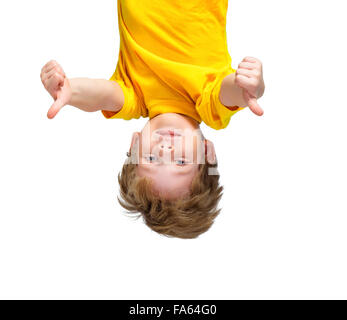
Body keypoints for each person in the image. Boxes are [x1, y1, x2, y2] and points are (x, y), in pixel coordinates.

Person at [40, 0, 265, 239]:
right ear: (207, 152)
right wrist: (251, 88)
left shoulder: (135, 96)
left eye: (151, 158)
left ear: (135, 145)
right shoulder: (208, 103)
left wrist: (70, 91)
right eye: (180, 161)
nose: (166, 149)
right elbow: (231, 92)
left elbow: (101, 96)